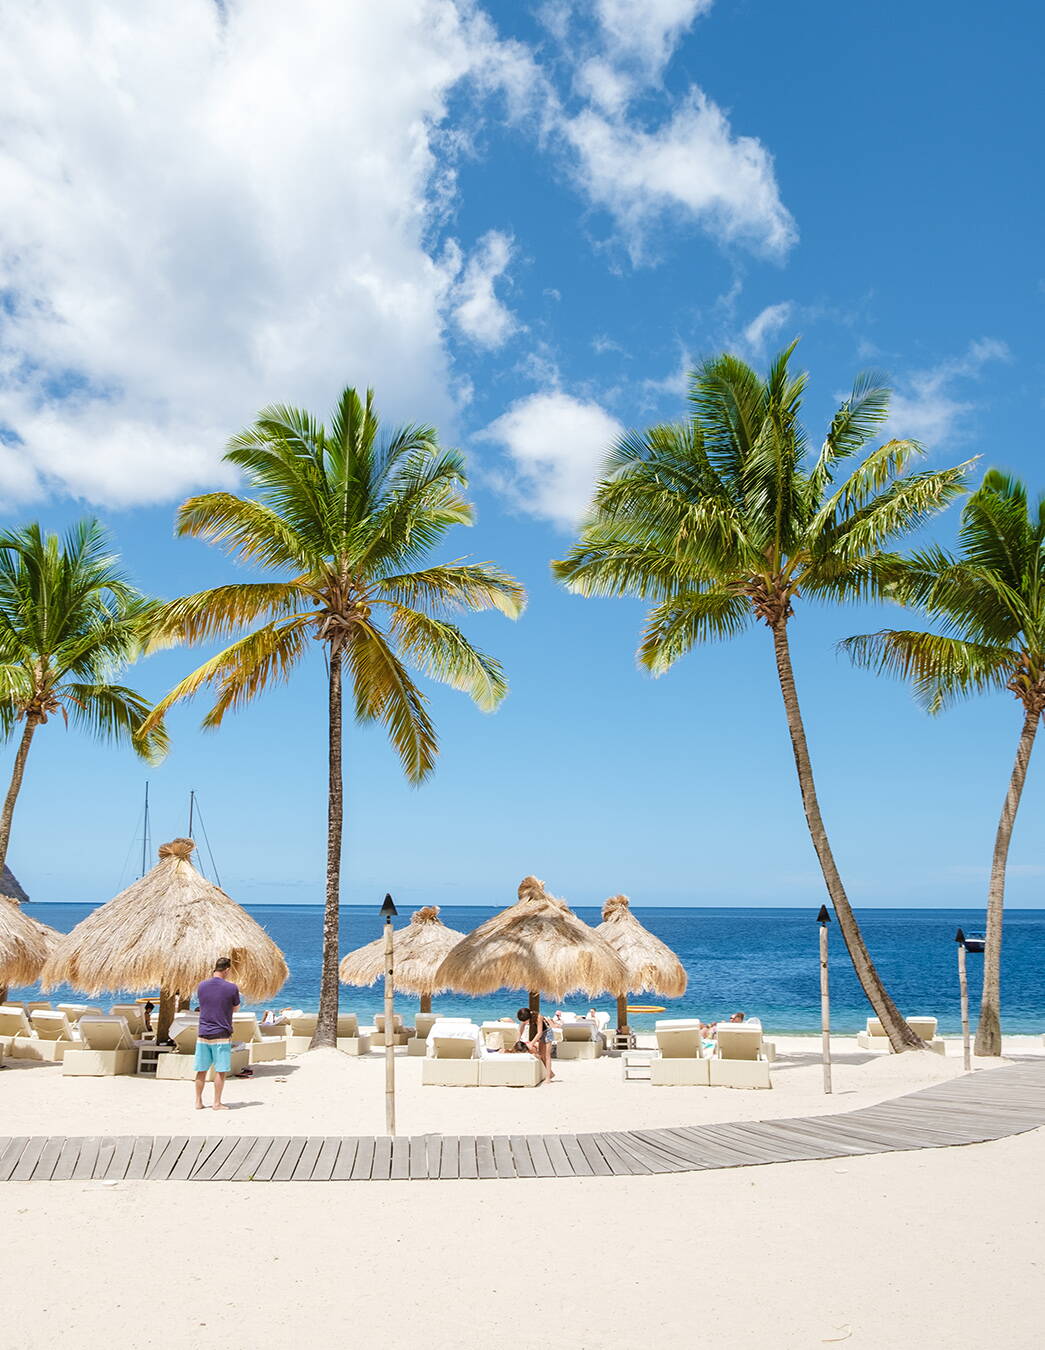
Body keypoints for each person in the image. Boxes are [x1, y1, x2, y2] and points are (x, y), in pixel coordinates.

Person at [194, 956, 240, 1111]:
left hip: (203, 1033)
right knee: (220, 1071)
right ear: (227, 970)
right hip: (221, 1033)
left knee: (201, 1070)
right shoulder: (231, 988)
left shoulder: (201, 986)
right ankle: (216, 1103)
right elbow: (235, 1008)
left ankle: (198, 1102)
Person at [516, 1005, 556, 1083]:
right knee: (541, 1055)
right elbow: (520, 1029)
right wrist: (517, 1040)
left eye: (525, 1021)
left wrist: (531, 1043)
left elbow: (539, 1033)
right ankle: (550, 1073)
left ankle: (548, 1078)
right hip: (541, 1034)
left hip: (547, 1033)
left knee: (547, 1056)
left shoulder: (538, 1017)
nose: (524, 1023)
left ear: (528, 1017)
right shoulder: (525, 1017)